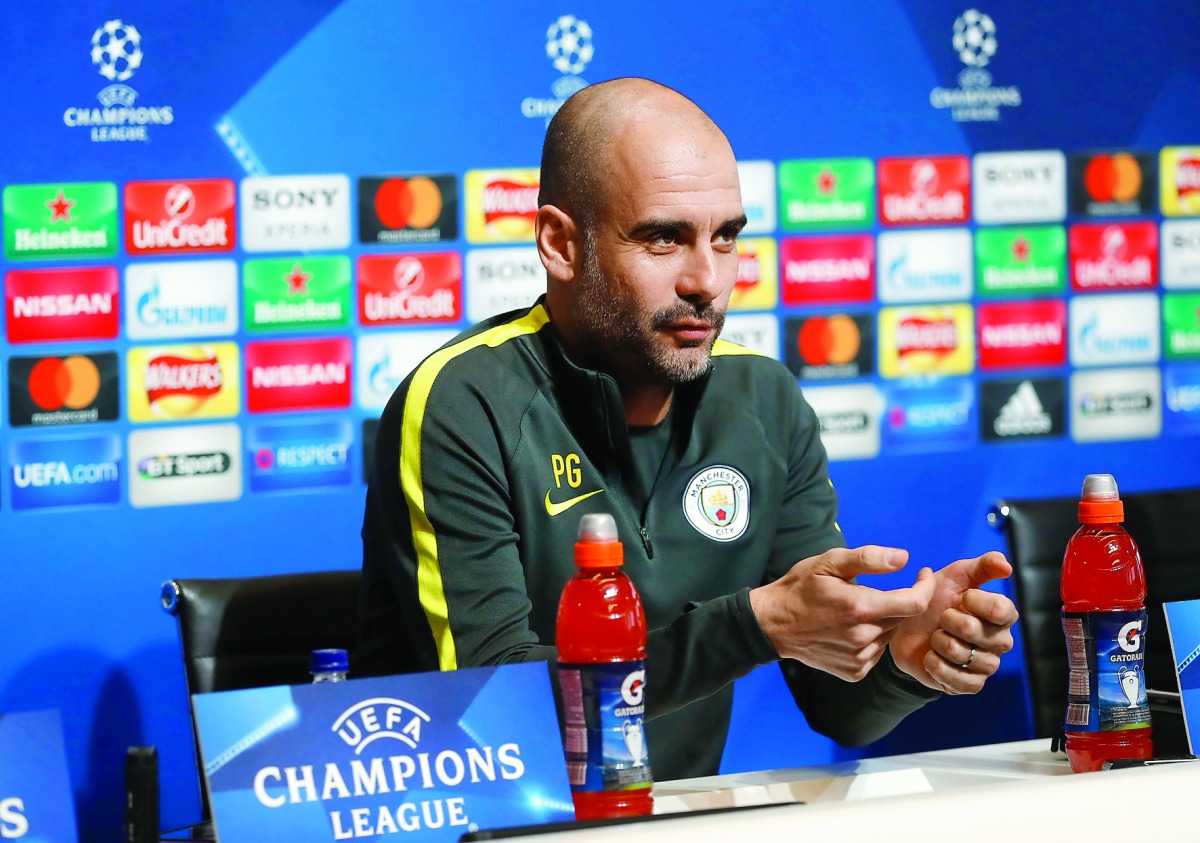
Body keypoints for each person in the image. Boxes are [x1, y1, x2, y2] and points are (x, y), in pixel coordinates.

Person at [359, 77, 1019, 780]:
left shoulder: (764, 401)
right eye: (664, 238)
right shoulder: (465, 401)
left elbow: (841, 707)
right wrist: (754, 625)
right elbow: (494, 710)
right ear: (560, 243)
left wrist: (901, 660)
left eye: (726, 237)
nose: (706, 279)